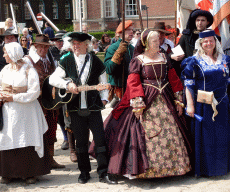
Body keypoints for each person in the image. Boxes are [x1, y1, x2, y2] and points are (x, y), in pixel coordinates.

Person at [92, 28, 191, 179]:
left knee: (173, 132)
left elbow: (173, 78)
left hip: (166, 98)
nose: (158, 43)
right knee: (143, 132)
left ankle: (175, 168)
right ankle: (147, 170)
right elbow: (133, 82)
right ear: (146, 43)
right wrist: (138, 103)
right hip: (146, 99)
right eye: (154, 41)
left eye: (158, 40)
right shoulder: (138, 60)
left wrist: (178, 99)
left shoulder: (164, 57)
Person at [49, 32, 117, 184]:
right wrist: (67, 84)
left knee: (99, 140)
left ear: (87, 45)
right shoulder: (66, 59)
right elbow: (53, 79)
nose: (75, 46)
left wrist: (105, 99)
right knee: (80, 143)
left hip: (93, 107)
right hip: (74, 108)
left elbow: (103, 80)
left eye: (78, 44)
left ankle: (103, 172)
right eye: (73, 43)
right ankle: (84, 172)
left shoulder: (95, 60)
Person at [0, 42, 50, 184]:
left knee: (26, 138)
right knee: (8, 137)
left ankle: (30, 173)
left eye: (5, 53)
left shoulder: (29, 70)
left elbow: (34, 93)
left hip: (27, 113)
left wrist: (14, 97)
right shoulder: (5, 70)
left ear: (13, 54)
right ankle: (8, 173)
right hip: (8, 113)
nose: (4, 55)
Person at [181, 30, 230, 177]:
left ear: (216, 42)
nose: (209, 43)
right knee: (206, 138)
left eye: (211, 40)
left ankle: (222, 168)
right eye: (205, 41)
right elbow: (188, 84)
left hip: (222, 103)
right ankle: (206, 169)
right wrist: (190, 104)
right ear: (201, 44)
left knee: (223, 135)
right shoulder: (194, 61)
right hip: (204, 104)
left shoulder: (226, 59)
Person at [23, 34, 65, 169]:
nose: (44, 49)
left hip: (51, 102)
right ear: (35, 47)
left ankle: (51, 159)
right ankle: (40, 161)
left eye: (46, 47)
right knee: (38, 130)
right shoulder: (28, 61)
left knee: (52, 129)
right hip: (37, 102)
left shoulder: (50, 60)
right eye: (41, 46)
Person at [104, 20, 134, 105]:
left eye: (132, 30)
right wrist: (118, 55)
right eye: (128, 30)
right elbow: (108, 69)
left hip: (131, 87)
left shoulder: (132, 48)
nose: (131, 32)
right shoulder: (113, 48)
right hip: (118, 89)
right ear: (121, 33)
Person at [49, 30, 70, 151]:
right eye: (57, 41)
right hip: (56, 87)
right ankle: (66, 138)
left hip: (71, 86)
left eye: (61, 40)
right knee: (60, 115)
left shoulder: (71, 52)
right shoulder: (51, 52)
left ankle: (77, 137)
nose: (59, 43)